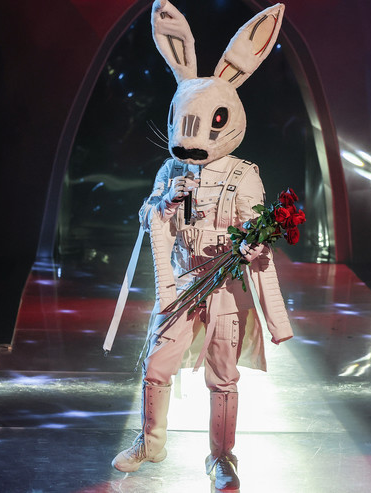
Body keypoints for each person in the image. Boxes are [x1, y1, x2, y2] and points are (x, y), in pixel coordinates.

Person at [112, 2, 293, 490]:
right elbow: (148, 216)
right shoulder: (171, 170)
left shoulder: (243, 174)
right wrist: (164, 205)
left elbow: (257, 231)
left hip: (224, 288)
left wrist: (254, 248)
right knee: (157, 363)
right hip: (180, 282)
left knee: (223, 375)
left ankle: (222, 458)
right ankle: (151, 441)